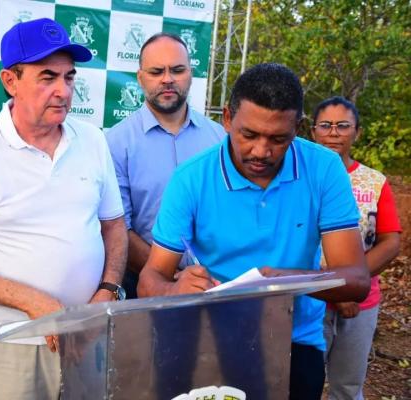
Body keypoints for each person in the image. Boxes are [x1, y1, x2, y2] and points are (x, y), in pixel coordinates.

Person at [137, 63, 371, 400]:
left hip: (294, 341)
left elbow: (356, 281)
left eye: (278, 139)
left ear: (299, 128)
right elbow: (150, 280)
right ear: (228, 119)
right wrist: (176, 291)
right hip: (205, 336)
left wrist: (275, 282)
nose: (261, 151)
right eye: (249, 135)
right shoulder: (191, 178)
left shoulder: (324, 168)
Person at [0, 18, 128, 400]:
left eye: (69, 78)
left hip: (88, 332)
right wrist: (32, 302)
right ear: (10, 81)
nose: (63, 91)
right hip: (16, 342)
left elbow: (115, 227)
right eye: (47, 77)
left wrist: (107, 290)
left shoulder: (92, 140)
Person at [106, 33, 225, 298]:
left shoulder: (219, 139)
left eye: (177, 70)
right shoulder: (115, 143)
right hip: (142, 286)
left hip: (214, 285)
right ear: (140, 78)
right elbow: (118, 228)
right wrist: (169, 276)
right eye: (157, 71)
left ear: (190, 74)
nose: (167, 79)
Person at [312, 96, 401, 400]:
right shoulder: (299, 179)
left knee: (348, 387)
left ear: (357, 132)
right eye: (325, 125)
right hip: (309, 301)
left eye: (342, 126)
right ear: (313, 132)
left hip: (360, 304)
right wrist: (333, 288)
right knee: (299, 382)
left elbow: (390, 241)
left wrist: (349, 285)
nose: (333, 133)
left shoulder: (374, 182)